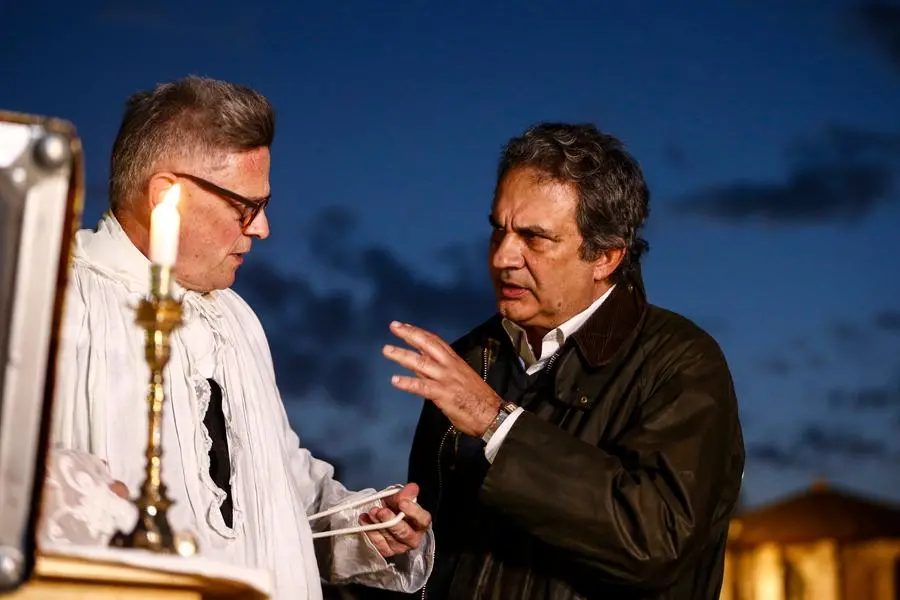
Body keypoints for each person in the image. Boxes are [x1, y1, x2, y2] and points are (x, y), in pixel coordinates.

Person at [45, 76, 433, 600]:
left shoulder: (235, 319)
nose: (262, 229)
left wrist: (362, 525)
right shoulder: (52, 301)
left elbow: (274, 484)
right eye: (245, 207)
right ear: (165, 195)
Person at [381, 123, 745, 599]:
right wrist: (400, 546)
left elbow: (657, 540)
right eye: (498, 230)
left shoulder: (682, 363)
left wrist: (496, 422)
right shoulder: (469, 360)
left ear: (606, 256)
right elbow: (441, 551)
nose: (503, 257)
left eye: (534, 238)